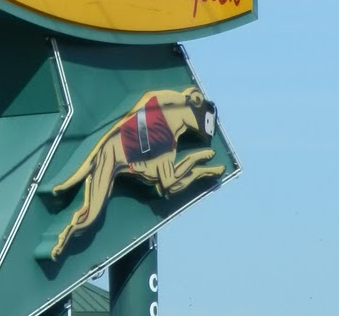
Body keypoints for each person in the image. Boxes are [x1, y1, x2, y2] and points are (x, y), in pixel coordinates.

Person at [49, 86, 224, 260]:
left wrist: (195, 159)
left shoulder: (168, 122)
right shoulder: (166, 122)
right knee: (91, 213)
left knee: (93, 211)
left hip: (136, 150)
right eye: (204, 122)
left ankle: (67, 231)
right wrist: (200, 169)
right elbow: (170, 184)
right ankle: (65, 235)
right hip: (116, 152)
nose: (201, 129)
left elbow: (168, 180)